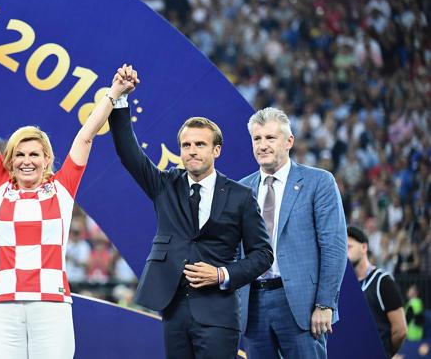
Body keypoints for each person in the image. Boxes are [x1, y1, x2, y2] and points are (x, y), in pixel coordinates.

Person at [0, 51, 134, 359]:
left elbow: (86, 136)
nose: (26, 161)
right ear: (10, 160)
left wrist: (113, 93)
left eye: (34, 154)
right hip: (3, 303)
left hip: (51, 303)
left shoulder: (61, 189)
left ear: (47, 159)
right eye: (19, 155)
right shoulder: (0, 187)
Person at [108, 65, 273, 359]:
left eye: (200, 144)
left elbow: (263, 254)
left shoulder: (240, 196)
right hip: (174, 310)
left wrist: (222, 274)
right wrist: (119, 99)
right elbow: (128, 152)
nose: (192, 151)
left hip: (218, 313)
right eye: (186, 145)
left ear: (216, 150)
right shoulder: (164, 185)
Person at [239, 107, 348, 358]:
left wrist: (324, 304)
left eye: (270, 138)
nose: (262, 145)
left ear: (289, 141)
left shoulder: (318, 182)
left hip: (303, 306)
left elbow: (334, 246)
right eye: (257, 139)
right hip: (253, 307)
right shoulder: (242, 189)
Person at [347, 225, 406, 357]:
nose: (345, 253)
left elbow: (400, 330)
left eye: (349, 247)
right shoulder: (345, 284)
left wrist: (384, 352)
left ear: (364, 248)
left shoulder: (383, 281)